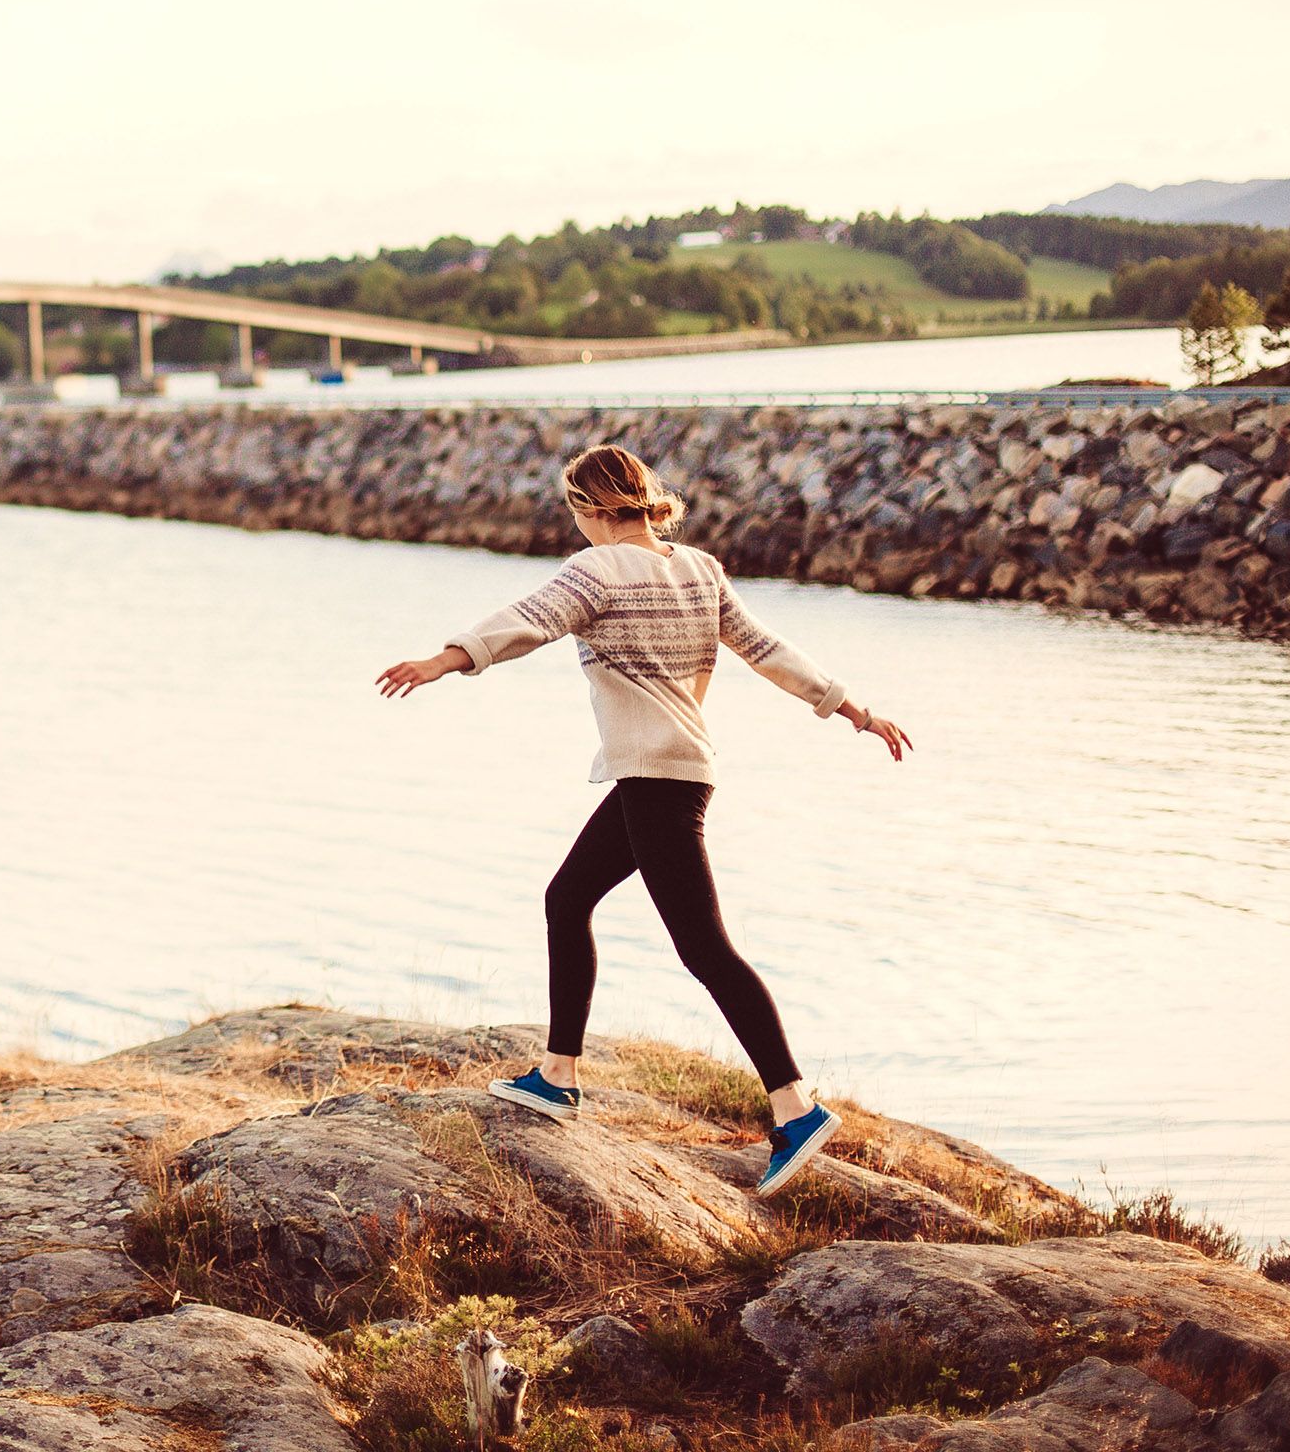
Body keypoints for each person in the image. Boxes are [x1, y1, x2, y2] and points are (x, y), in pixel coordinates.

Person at [376, 442, 912, 1197]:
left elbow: (528, 622)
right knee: (567, 900)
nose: (577, 525)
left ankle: (795, 1108)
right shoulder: (699, 568)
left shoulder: (595, 569)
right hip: (667, 774)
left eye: (575, 512)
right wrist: (852, 708)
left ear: (591, 509)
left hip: (659, 778)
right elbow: (768, 650)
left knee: (704, 949)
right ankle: (557, 1075)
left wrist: (446, 659)